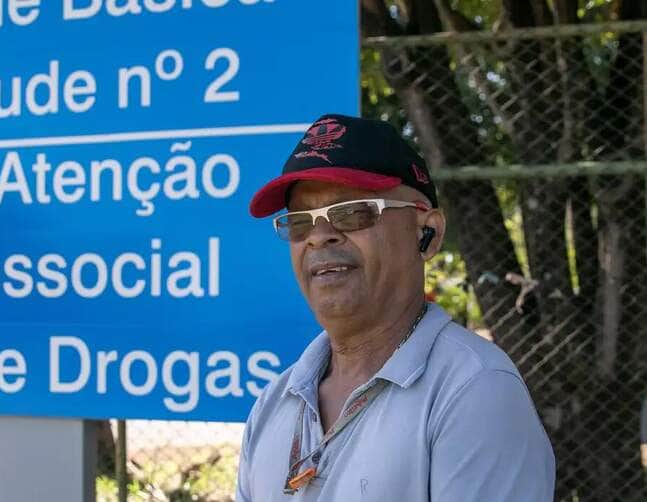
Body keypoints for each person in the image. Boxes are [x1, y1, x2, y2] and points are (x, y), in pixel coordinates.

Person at [236, 115, 555, 501]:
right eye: (300, 223)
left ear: (428, 233)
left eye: (353, 211)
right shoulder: (275, 402)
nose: (319, 237)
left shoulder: (475, 391)